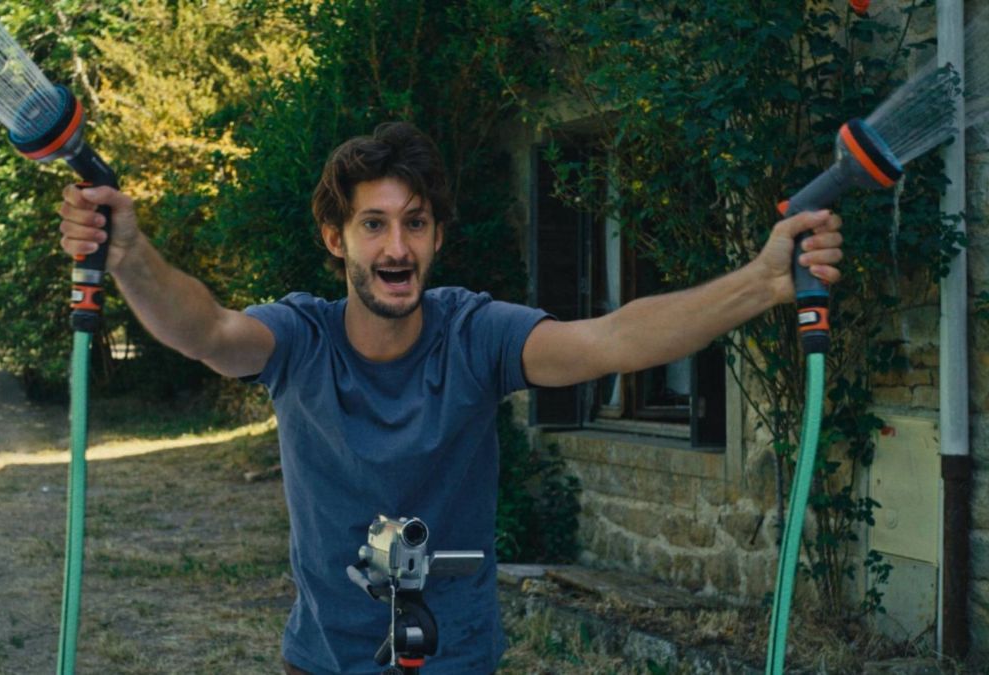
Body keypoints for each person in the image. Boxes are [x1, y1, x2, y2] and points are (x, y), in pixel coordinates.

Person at [56, 122, 843, 674]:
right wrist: (129, 254)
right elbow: (208, 331)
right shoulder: (300, 339)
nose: (396, 247)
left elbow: (613, 339)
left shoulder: (475, 335)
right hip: (323, 661)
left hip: (455, 660)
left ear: (437, 236)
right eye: (373, 224)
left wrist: (764, 281)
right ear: (336, 238)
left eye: (415, 223)